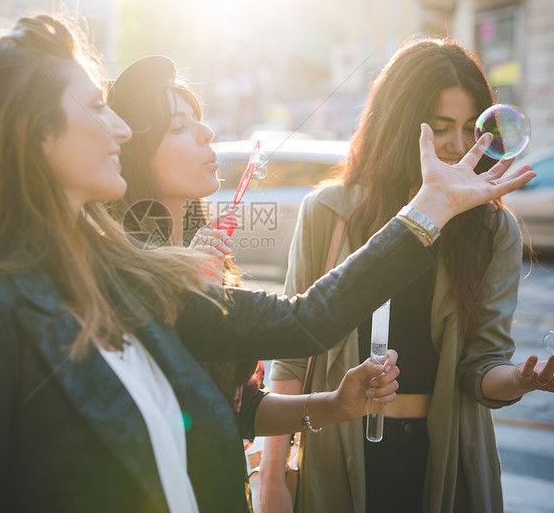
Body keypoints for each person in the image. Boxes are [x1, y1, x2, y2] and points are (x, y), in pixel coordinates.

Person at [0, 16, 535, 513]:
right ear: (32, 133)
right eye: (96, 107)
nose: (122, 127)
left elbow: (308, 322)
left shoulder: (129, 272)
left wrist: (428, 210)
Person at [255, 38, 554, 513]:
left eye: (473, 129)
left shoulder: (492, 229)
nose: (460, 146)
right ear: (399, 126)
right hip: (335, 453)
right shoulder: (329, 212)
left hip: (445, 457)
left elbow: (483, 366)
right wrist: (272, 479)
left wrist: (521, 379)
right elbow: (291, 359)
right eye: (441, 128)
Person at [106, 55, 402, 501]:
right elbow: (307, 321)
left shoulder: (195, 258)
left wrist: (335, 404)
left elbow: (237, 410)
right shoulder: (135, 274)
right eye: (179, 128)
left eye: (199, 120)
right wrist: (427, 214)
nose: (206, 133)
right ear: (135, 157)